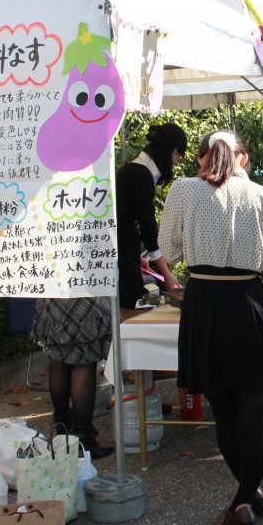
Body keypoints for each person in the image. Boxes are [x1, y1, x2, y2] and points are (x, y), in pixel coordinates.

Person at [159, 130, 263, 525]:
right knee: (254, 418)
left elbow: (169, 249)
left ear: (203, 158)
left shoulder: (183, 190)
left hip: (204, 307)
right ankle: (248, 496)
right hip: (251, 305)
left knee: (223, 414)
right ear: (243, 158)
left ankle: (243, 501)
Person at [116, 123, 187, 313]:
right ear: (174, 151)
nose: (175, 162)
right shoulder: (140, 174)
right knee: (131, 308)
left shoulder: (134, 168)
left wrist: (140, 257)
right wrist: (167, 274)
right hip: (122, 249)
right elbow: (148, 228)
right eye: (178, 156)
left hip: (124, 247)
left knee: (133, 303)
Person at [32, 296, 113, 459]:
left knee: (59, 360)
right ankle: (84, 439)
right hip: (84, 292)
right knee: (85, 361)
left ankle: (63, 430)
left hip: (55, 294)